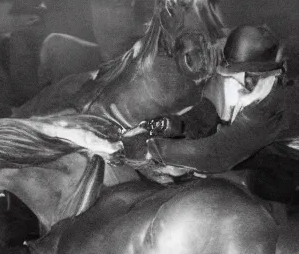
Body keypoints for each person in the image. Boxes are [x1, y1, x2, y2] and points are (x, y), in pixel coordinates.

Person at [125, 25, 299, 185]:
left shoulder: (275, 104)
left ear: (267, 74)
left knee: (258, 185)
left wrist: (155, 149)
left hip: (287, 165)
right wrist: (167, 126)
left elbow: (218, 153)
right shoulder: (236, 79)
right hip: (251, 150)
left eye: (247, 78)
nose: (237, 84)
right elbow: (206, 114)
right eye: (234, 75)